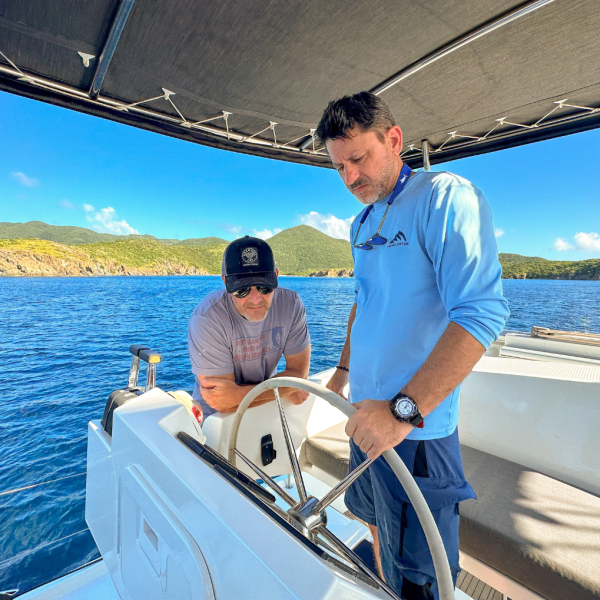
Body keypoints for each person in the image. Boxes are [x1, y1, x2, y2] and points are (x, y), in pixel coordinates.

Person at [316, 92, 509, 599]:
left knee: (423, 576)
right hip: (366, 412)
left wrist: (401, 412)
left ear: (394, 139)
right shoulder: (360, 224)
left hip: (414, 431)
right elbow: (366, 302)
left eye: (358, 159)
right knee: (372, 522)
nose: (350, 178)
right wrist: (341, 371)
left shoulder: (445, 197)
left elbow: (481, 312)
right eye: (339, 167)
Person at [188, 235, 311, 417]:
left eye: (264, 287)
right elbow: (223, 404)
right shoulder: (208, 318)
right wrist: (287, 388)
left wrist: (238, 395)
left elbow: (299, 374)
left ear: (276, 277)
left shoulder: (290, 304)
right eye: (241, 290)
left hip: (265, 412)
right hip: (215, 420)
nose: (255, 300)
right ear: (224, 282)